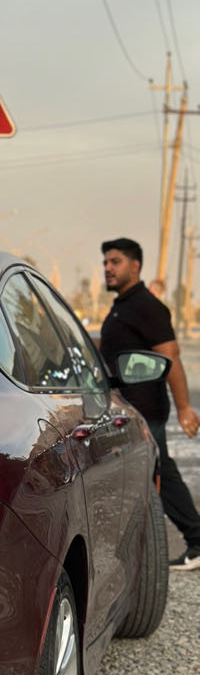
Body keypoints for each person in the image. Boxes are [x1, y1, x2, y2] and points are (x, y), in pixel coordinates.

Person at [100, 237, 200, 569]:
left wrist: (185, 407)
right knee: (155, 475)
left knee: (159, 475)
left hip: (146, 410)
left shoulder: (146, 306)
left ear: (135, 265)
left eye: (115, 262)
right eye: (105, 263)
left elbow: (170, 357)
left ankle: (196, 541)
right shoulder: (123, 306)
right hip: (128, 410)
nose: (108, 268)